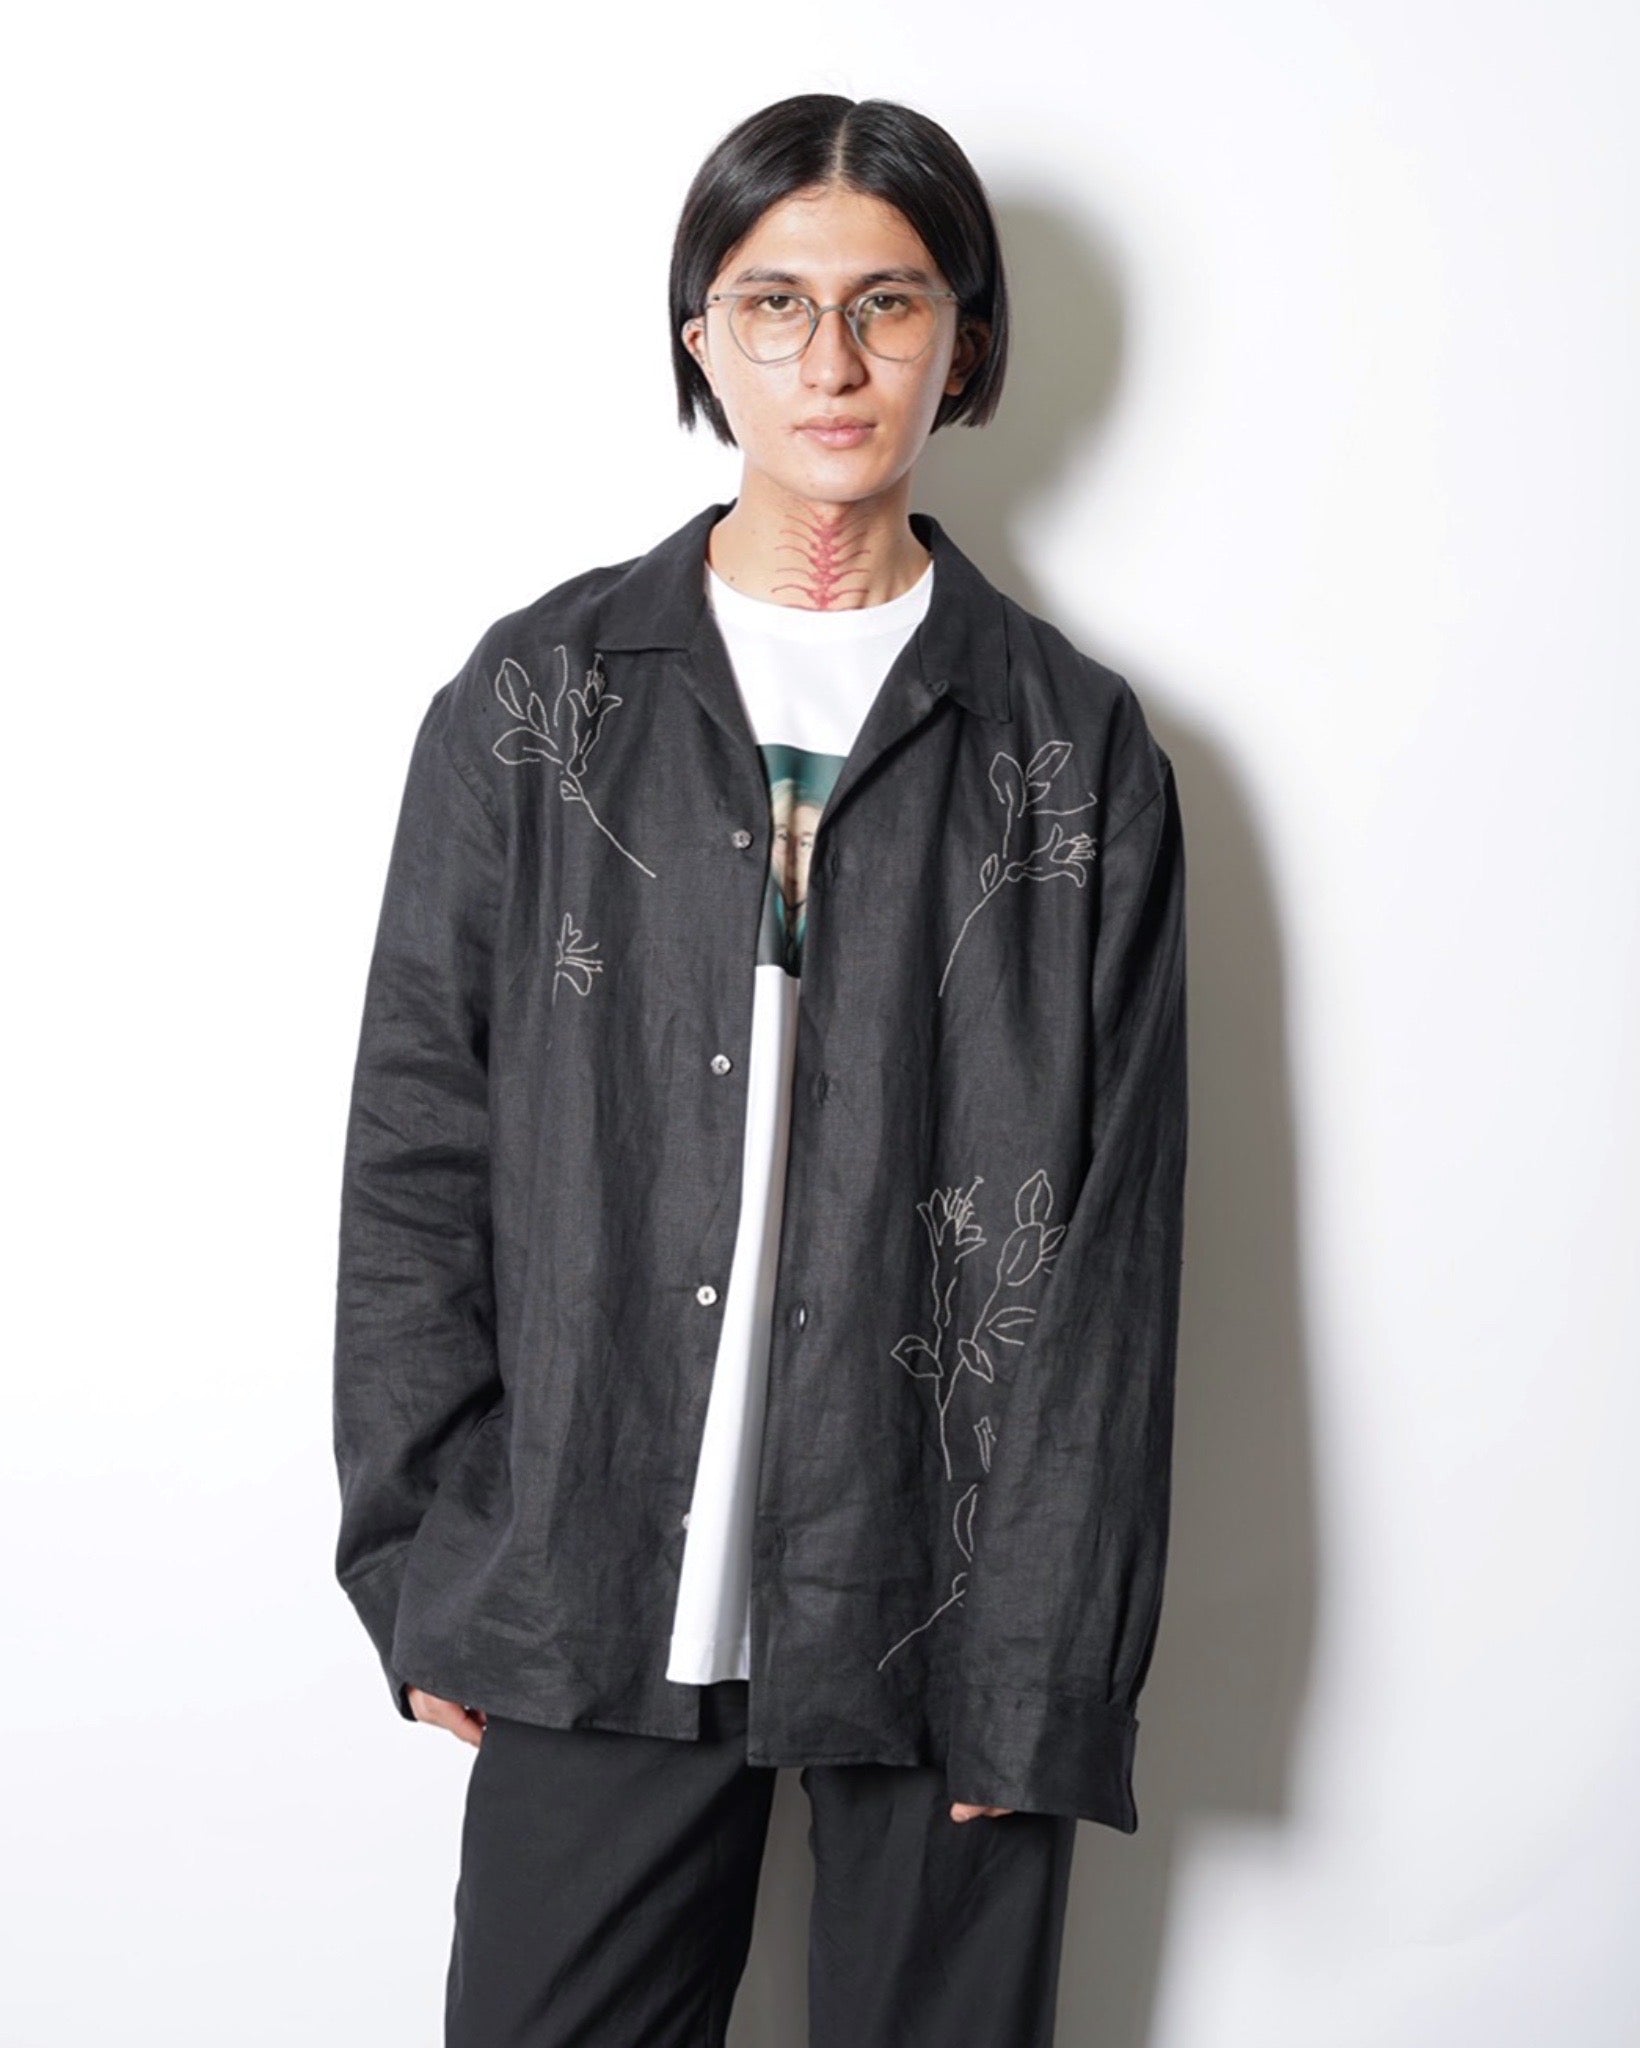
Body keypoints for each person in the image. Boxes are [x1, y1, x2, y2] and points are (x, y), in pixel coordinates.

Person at [333, 91, 1189, 2047]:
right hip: (577, 1579)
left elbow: (1113, 1251)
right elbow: (417, 1142)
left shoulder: (1071, 751)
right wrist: (424, 1550)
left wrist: (1045, 1659)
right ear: (699, 338)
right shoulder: (540, 702)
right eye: (774, 302)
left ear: (963, 343)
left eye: (888, 302)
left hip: (946, 1602)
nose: (832, 359)